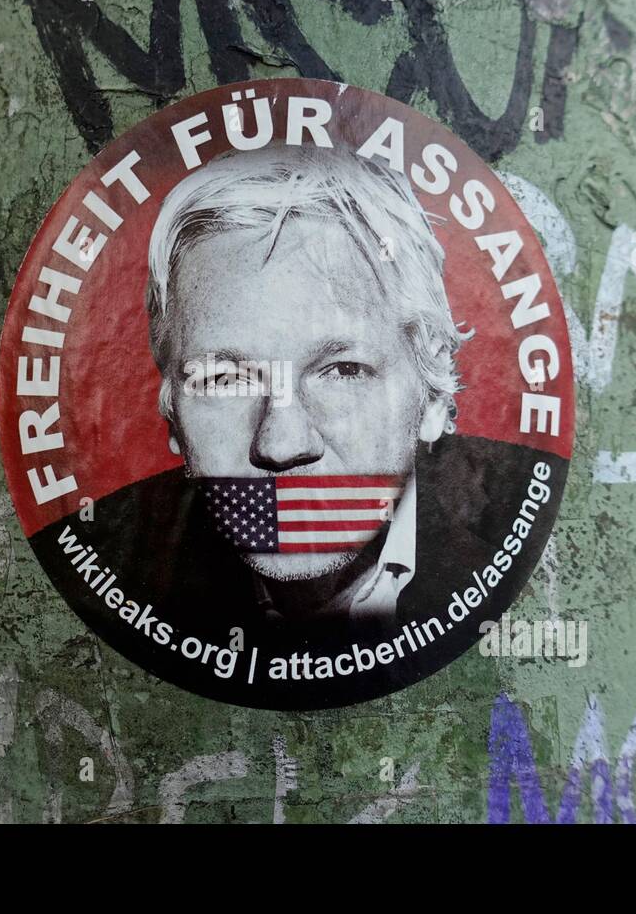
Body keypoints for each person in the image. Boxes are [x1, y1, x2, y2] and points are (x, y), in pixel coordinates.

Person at [46, 145, 555, 647]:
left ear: (432, 396)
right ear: (171, 412)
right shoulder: (112, 585)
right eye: (225, 379)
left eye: (341, 370)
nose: (281, 443)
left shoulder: (523, 584)